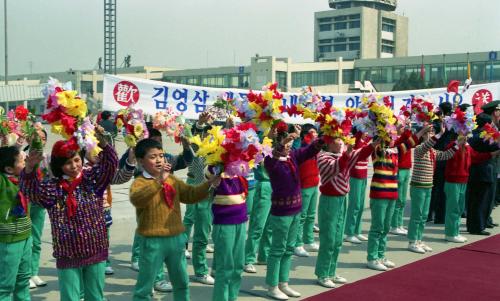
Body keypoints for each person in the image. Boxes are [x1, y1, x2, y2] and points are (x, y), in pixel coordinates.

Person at [20, 128, 118, 301]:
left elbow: (110, 166)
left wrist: (102, 141)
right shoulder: (53, 187)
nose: (74, 166)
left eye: (77, 160)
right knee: (70, 297)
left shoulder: (92, 179)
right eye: (67, 163)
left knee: (96, 297)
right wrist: (29, 168)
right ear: (59, 166)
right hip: (67, 253)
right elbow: (31, 192)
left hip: (95, 248)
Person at [129, 138, 219, 301]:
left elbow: (190, 195)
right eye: (153, 156)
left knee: (182, 283)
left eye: (161, 156)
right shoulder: (140, 182)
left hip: (176, 239)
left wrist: (210, 184)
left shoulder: (171, 179)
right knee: (145, 287)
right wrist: (159, 181)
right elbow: (138, 199)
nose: (159, 160)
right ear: (141, 161)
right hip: (152, 241)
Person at [126, 127, 193, 293]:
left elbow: (186, 161)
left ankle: (157, 278)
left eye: (160, 141)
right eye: (153, 141)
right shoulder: (138, 158)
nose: (157, 146)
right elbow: (124, 169)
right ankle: (154, 278)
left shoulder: (166, 159)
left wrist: (186, 147)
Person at [264, 124, 324, 300]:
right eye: (286, 145)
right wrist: (282, 143)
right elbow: (273, 157)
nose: (289, 147)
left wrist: (324, 137)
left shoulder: (293, 156)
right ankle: (272, 286)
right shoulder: (270, 160)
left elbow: (309, 150)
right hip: (281, 213)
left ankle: (284, 283)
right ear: (277, 144)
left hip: (296, 209)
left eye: (290, 144)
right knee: (277, 249)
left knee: (289, 248)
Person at [315, 136, 375, 288]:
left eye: (342, 139)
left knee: (337, 240)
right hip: (330, 201)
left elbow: (360, 154)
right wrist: (347, 154)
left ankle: (331, 272)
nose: (341, 142)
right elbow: (336, 167)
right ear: (328, 143)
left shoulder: (343, 155)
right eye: (337, 140)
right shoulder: (322, 157)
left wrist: (376, 142)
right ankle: (322, 274)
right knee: (328, 239)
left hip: (342, 199)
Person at [366, 127, 425, 271]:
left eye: (393, 135)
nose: (393, 137)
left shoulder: (395, 151)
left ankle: (381, 255)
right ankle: (372, 258)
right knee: (377, 227)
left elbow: (410, 142)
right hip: (379, 194)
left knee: (386, 228)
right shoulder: (378, 150)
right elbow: (376, 145)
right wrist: (382, 130)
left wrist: (422, 131)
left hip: (392, 194)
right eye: (390, 135)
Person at [444, 106, 499, 243]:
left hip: (464, 179)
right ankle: (451, 233)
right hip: (453, 180)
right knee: (453, 208)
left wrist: (492, 154)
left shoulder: (467, 145)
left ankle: (455, 232)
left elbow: (475, 156)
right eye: (466, 128)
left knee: (459, 207)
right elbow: (446, 154)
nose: (469, 130)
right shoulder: (453, 144)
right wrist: (458, 143)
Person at [407, 124, 459, 254]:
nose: (431, 135)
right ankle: (412, 241)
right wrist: (440, 134)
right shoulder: (419, 148)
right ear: (423, 135)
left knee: (424, 215)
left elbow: (446, 155)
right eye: (428, 133)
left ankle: (419, 239)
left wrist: (458, 144)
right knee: (416, 215)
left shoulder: (432, 151)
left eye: (433, 132)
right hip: (418, 186)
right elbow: (428, 144)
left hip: (428, 186)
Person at [183, 112, 216, 286]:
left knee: (205, 234)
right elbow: (190, 147)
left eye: (212, 136)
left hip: (212, 196)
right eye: (207, 135)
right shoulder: (196, 153)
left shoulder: (217, 154)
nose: (209, 138)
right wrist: (199, 125)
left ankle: (201, 268)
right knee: (199, 233)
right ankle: (200, 271)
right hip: (198, 193)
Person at [206, 166, 248, 301]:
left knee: (238, 266)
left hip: (241, 221)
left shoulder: (239, 169)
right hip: (224, 224)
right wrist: (220, 162)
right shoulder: (215, 169)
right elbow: (208, 174)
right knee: (225, 267)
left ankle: (232, 297)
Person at [0, 146, 31, 301]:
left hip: (26, 236)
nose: (25, 162)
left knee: (23, 281)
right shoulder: (2, 182)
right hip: (9, 241)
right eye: (21, 160)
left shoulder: (24, 180)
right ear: (8, 168)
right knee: (5, 286)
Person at [467, 113, 500, 235]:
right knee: (482, 200)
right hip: (485, 171)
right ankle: (478, 226)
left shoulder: (473, 133)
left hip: (475, 171)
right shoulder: (486, 136)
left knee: (474, 200)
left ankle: (475, 224)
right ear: (488, 124)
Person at [294, 125, 320, 257]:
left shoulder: (315, 147)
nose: (315, 134)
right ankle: (297, 243)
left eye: (316, 132)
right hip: (304, 185)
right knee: (302, 216)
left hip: (314, 183)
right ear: (305, 135)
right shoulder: (302, 147)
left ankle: (308, 240)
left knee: (311, 215)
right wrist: (300, 137)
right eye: (312, 132)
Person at [428, 102, 454, 223]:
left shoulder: (439, 123)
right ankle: (438, 216)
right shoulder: (440, 124)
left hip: (438, 157)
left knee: (434, 189)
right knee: (439, 189)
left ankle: (430, 215)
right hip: (441, 157)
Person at [344, 130, 371, 243]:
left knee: (360, 205)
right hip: (355, 176)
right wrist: (362, 126)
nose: (366, 133)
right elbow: (360, 133)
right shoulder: (356, 141)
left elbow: (374, 133)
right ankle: (349, 232)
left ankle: (357, 231)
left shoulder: (365, 142)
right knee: (354, 204)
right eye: (364, 131)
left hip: (363, 176)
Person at [478, 100, 500, 229]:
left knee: (491, 194)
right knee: (486, 195)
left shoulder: (495, 126)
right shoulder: (488, 129)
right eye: (498, 111)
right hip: (488, 164)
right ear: (494, 112)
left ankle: (487, 218)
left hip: (494, 164)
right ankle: (483, 219)